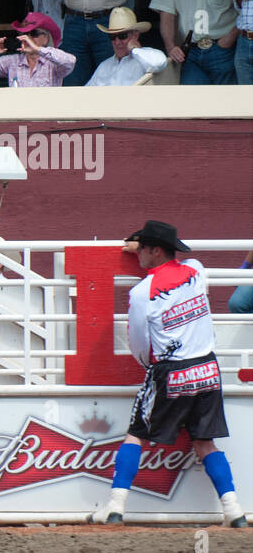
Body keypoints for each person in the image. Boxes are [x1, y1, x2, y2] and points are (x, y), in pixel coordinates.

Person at [90, 221, 247, 527]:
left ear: (155, 250)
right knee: (205, 442)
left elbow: (138, 341)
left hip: (170, 369)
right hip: (207, 368)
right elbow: (186, 264)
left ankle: (114, 507)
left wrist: (152, 369)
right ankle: (234, 511)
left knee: (136, 435)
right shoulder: (196, 270)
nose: (138, 254)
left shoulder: (141, 292)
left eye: (143, 248)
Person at [0, 12, 75, 87]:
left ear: (46, 39)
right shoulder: (13, 61)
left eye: (34, 34)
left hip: (45, 115)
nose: (27, 38)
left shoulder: (53, 64)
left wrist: (38, 50)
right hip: (18, 114)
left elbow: (70, 61)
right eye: (24, 34)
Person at [85, 8, 167, 86]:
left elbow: (158, 64)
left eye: (122, 36)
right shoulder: (104, 66)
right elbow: (86, 91)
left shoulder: (146, 58)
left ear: (135, 35)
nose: (117, 42)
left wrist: (135, 50)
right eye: (112, 37)